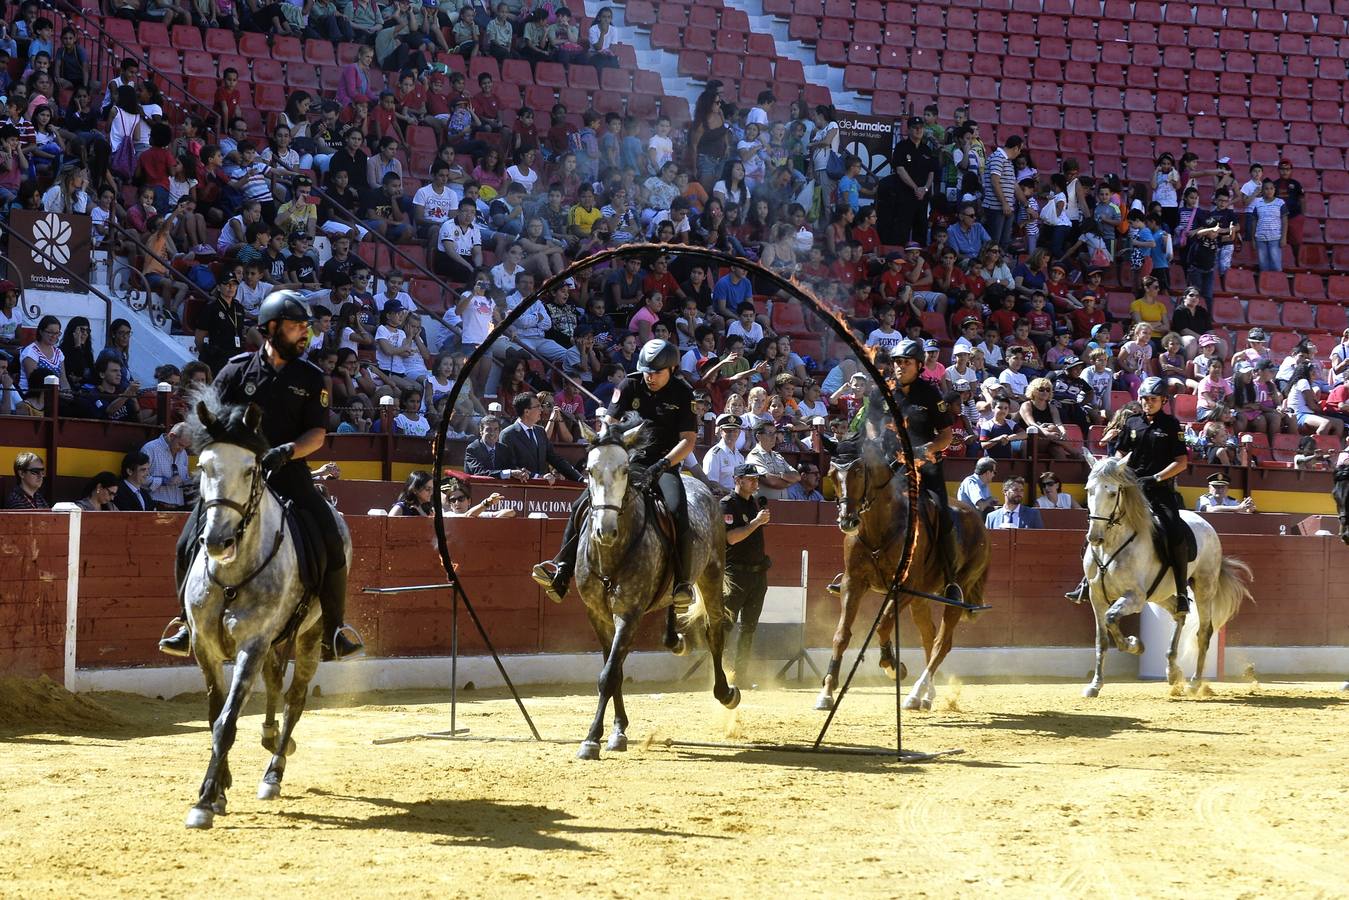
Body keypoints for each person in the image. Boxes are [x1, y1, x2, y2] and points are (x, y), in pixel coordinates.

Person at [159, 291, 364, 661]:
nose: (304, 334)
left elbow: (317, 435)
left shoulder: (313, 376)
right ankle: (185, 625)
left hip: (287, 473)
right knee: (186, 541)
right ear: (271, 329)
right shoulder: (236, 370)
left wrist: (287, 451)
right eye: (295, 326)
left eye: (305, 327)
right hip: (235, 479)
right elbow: (209, 419)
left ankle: (334, 629)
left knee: (331, 536)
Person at [532, 339, 699, 605]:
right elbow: (608, 425)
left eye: (656, 372)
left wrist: (663, 465)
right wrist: (606, 454)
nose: (650, 377)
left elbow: (688, 441)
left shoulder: (683, 393)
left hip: (663, 464)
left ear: (672, 368)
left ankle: (682, 583)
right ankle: (561, 570)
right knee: (582, 504)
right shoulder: (629, 385)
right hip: (625, 463)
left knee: (678, 511)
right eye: (647, 371)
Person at [1065, 377, 1191, 610]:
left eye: (1152, 399)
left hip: (1159, 491)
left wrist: (1155, 478)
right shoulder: (1132, 423)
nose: (1147, 403)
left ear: (1163, 400)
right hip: (1130, 490)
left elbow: (1181, 462)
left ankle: (1182, 592)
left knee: (1174, 531)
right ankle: (1087, 581)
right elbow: (1120, 454)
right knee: (1100, 524)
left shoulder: (1171, 426)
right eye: (1144, 399)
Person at [722, 462, 772, 681]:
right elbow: (731, 538)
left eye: (756, 479)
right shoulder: (727, 504)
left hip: (757, 574)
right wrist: (755, 523)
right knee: (726, 625)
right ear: (737, 480)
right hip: (735, 574)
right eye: (750, 479)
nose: (755, 483)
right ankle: (720, 672)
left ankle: (740, 675)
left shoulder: (755, 504)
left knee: (749, 627)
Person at [500, 391, 583, 480]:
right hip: (519, 489)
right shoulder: (508, 435)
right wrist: (538, 477)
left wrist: (579, 478)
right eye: (537, 406)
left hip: (541, 489)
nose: (541, 409)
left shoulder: (540, 431)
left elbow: (554, 459)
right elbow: (509, 467)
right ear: (526, 411)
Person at [141, 423, 191, 510]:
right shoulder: (150, 449)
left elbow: (183, 479)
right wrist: (165, 481)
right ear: (171, 436)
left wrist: (190, 481)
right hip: (155, 506)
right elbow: (139, 479)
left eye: (185, 447)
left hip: (178, 507)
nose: (182, 450)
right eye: (180, 444)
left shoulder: (183, 453)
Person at [702, 413, 746, 493]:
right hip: (722, 499)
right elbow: (711, 483)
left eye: (735, 431)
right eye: (728, 431)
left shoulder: (740, 457)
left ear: (739, 433)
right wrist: (733, 493)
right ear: (721, 432)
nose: (732, 434)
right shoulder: (714, 454)